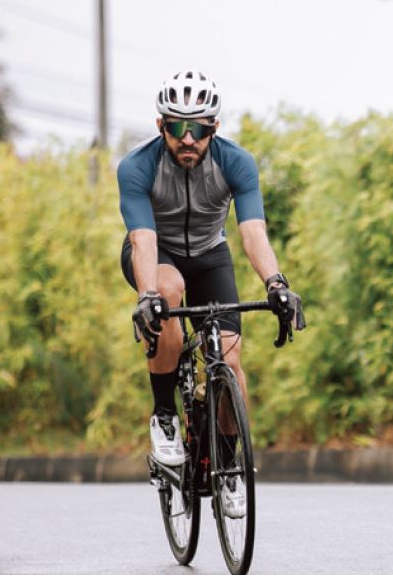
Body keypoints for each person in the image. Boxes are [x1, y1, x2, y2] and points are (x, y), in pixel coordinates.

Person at [119, 70, 305, 518]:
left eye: (198, 128)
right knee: (169, 291)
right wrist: (147, 295)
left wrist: (276, 283)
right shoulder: (137, 166)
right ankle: (164, 415)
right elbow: (143, 238)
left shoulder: (236, 162)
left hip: (210, 253)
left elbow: (253, 232)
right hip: (155, 255)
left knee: (231, 360)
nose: (188, 139)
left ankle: (228, 466)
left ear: (214, 128)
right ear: (161, 125)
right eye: (178, 128)